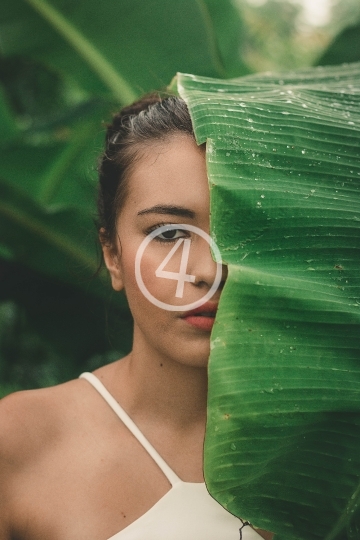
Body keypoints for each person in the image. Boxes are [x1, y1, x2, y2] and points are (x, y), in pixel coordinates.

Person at [0, 94, 273, 539]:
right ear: (111, 253)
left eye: (238, 230)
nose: (207, 270)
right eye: (169, 233)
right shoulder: (19, 442)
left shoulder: (326, 451)